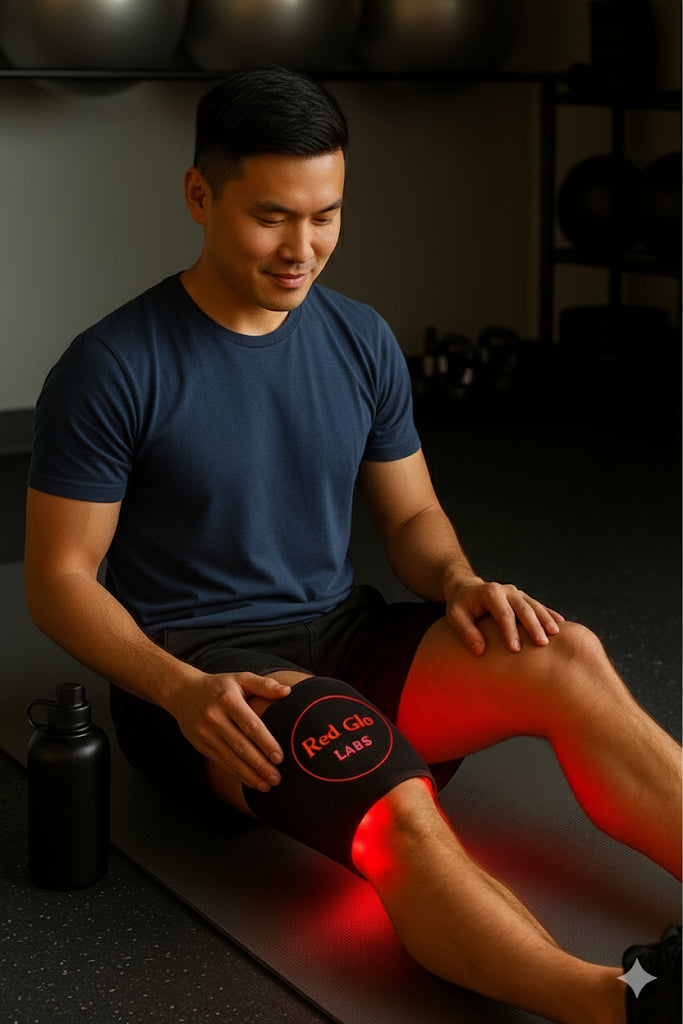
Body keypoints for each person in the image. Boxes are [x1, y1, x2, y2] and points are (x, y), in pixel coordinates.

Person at [24, 66, 680, 1024]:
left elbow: (410, 520)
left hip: (342, 632)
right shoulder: (112, 366)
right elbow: (57, 581)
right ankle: (627, 1003)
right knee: (397, 809)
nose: (303, 249)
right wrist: (173, 688)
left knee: (566, 655)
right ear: (200, 196)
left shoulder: (359, 339)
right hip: (213, 684)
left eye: (325, 215)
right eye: (273, 217)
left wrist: (457, 581)